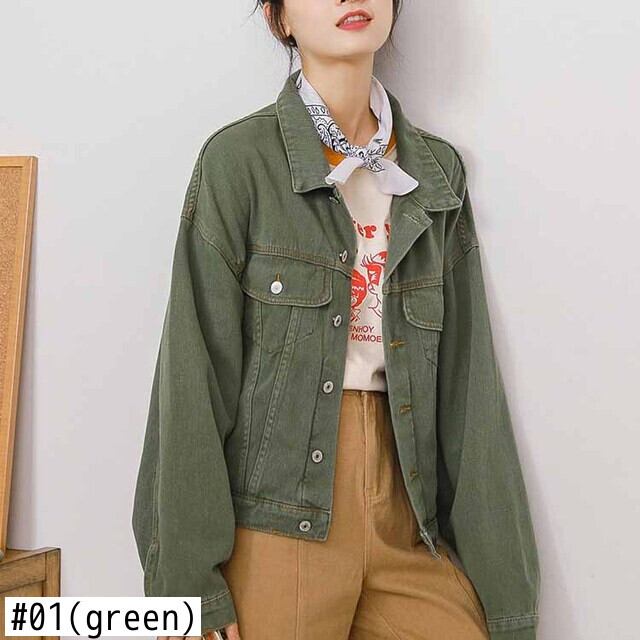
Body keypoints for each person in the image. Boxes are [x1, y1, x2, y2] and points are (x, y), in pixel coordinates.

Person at [132, 1, 541, 639]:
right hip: (277, 523)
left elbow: (471, 390)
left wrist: (508, 599)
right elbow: (192, 377)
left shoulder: (435, 174)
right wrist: (188, 592)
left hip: (409, 520)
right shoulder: (239, 163)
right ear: (280, 18)